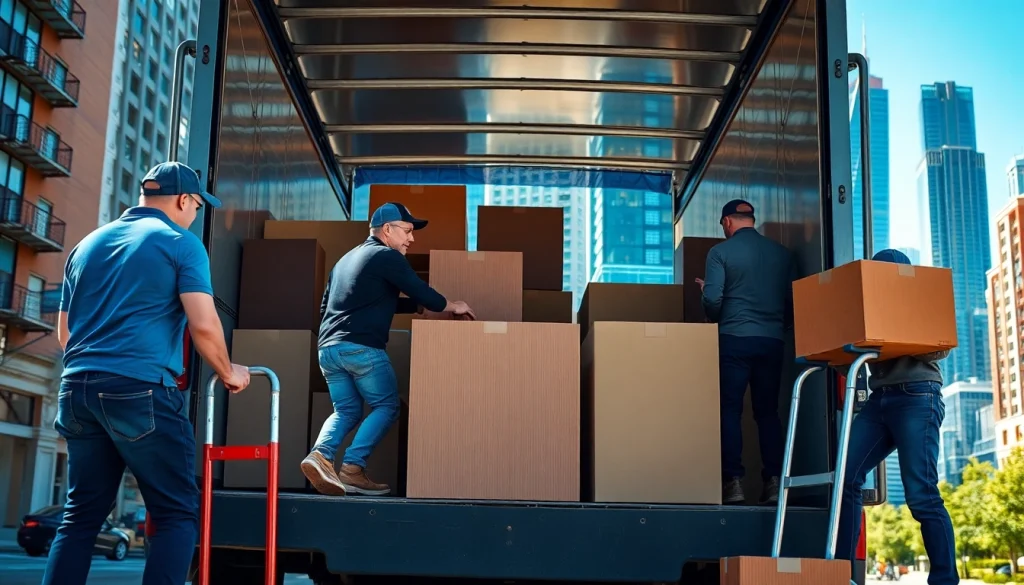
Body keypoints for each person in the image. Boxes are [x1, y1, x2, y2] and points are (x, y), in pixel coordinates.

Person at [44, 162, 252, 585]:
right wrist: (228, 370)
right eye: (196, 206)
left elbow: (64, 331)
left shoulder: (86, 245)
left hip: (77, 388)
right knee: (176, 514)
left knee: (79, 518)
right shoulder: (181, 243)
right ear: (182, 200)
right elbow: (204, 323)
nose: (195, 215)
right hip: (139, 391)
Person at [302, 202, 476, 496]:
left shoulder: (346, 260)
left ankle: (321, 455)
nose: (411, 239)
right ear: (387, 230)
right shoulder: (386, 256)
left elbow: (333, 304)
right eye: (407, 231)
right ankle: (352, 468)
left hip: (328, 350)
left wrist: (414, 307)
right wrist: (451, 305)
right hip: (361, 349)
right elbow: (421, 290)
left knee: (346, 409)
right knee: (387, 406)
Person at [834, 249, 957, 585]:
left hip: (918, 396)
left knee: (921, 493)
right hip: (881, 398)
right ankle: (841, 574)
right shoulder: (869, 304)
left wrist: (895, 337)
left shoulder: (921, 299)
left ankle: (945, 580)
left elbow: (940, 347)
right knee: (845, 480)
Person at [697, 199, 796, 505]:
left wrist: (708, 299)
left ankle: (734, 483)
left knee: (731, 410)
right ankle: (775, 482)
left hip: (734, 340)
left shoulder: (720, 253)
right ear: (751, 219)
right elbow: (793, 302)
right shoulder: (782, 254)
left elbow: (713, 301)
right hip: (772, 342)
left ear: (727, 221)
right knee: (768, 413)